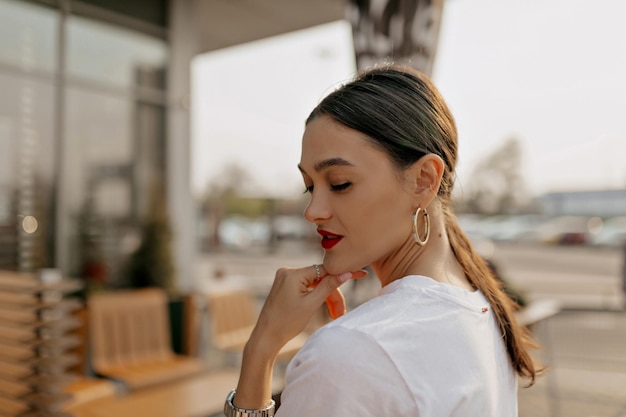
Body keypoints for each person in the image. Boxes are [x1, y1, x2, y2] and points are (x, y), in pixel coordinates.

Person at [223, 65, 541, 417]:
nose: (313, 210)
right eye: (310, 186)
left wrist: (261, 351)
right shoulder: (484, 311)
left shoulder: (353, 353)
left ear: (423, 180)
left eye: (340, 183)